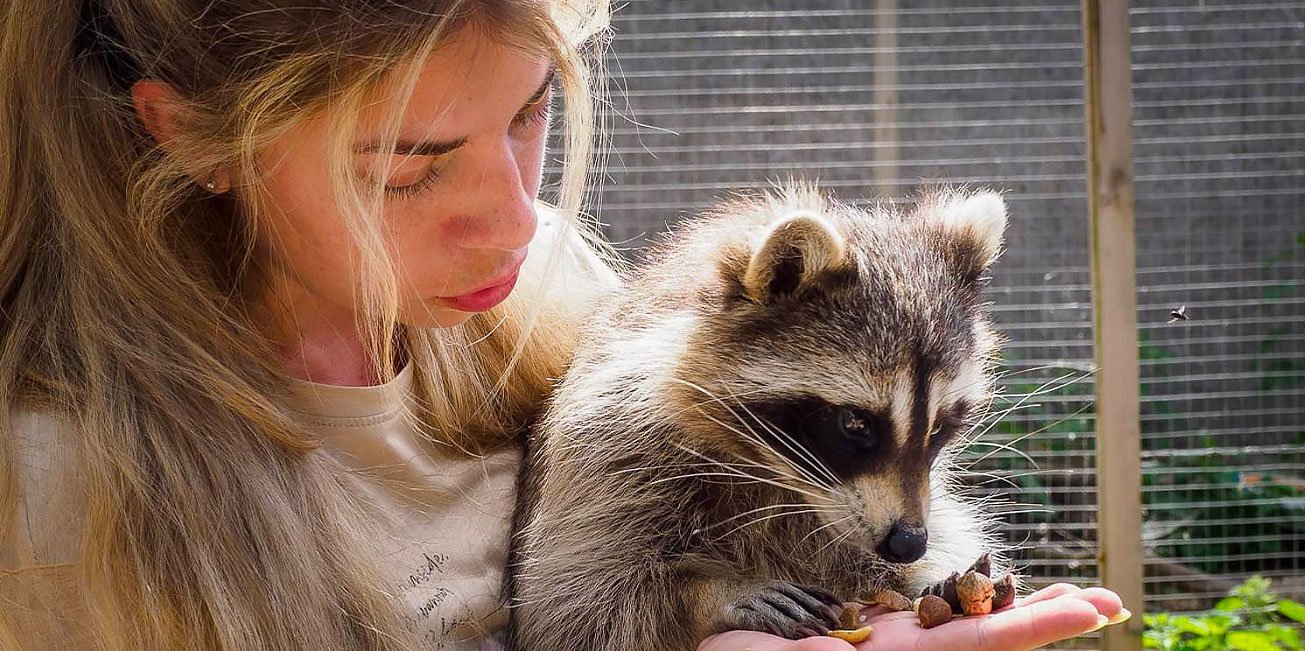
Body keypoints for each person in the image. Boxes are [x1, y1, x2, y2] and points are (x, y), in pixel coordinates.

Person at [0, 1, 1125, 649]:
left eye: (531, 113)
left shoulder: (542, 303)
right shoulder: (58, 498)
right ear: (197, 138)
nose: (512, 220)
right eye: (406, 165)